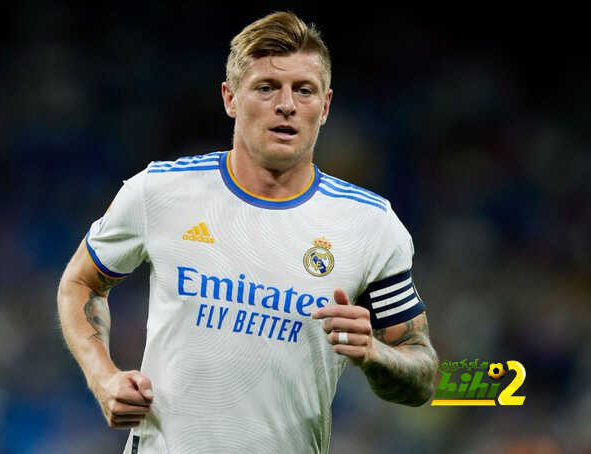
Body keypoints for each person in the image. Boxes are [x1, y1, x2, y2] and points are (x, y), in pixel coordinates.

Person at [57, 11, 438, 453]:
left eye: (304, 90)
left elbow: (423, 376)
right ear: (230, 98)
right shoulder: (159, 191)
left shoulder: (371, 225)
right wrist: (104, 378)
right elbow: (81, 283)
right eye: (266, 87)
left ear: (325, 106)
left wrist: (373, 353)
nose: (287, 105)